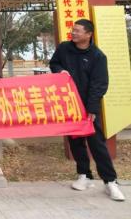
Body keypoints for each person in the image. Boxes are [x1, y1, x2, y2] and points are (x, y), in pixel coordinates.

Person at [49, 19, 125, 201]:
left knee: (96, 143)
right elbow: (54, 63)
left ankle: (110, 181)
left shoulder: (98, 56)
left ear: (88, 34)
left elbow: (99, 84)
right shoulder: (64, 48)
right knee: (75, 141)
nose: (73, 33)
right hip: (69, 103)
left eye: (77, 31)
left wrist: (92, 108)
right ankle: (84, 175)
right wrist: (60, 71)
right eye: (73, 30)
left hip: (89, 106)